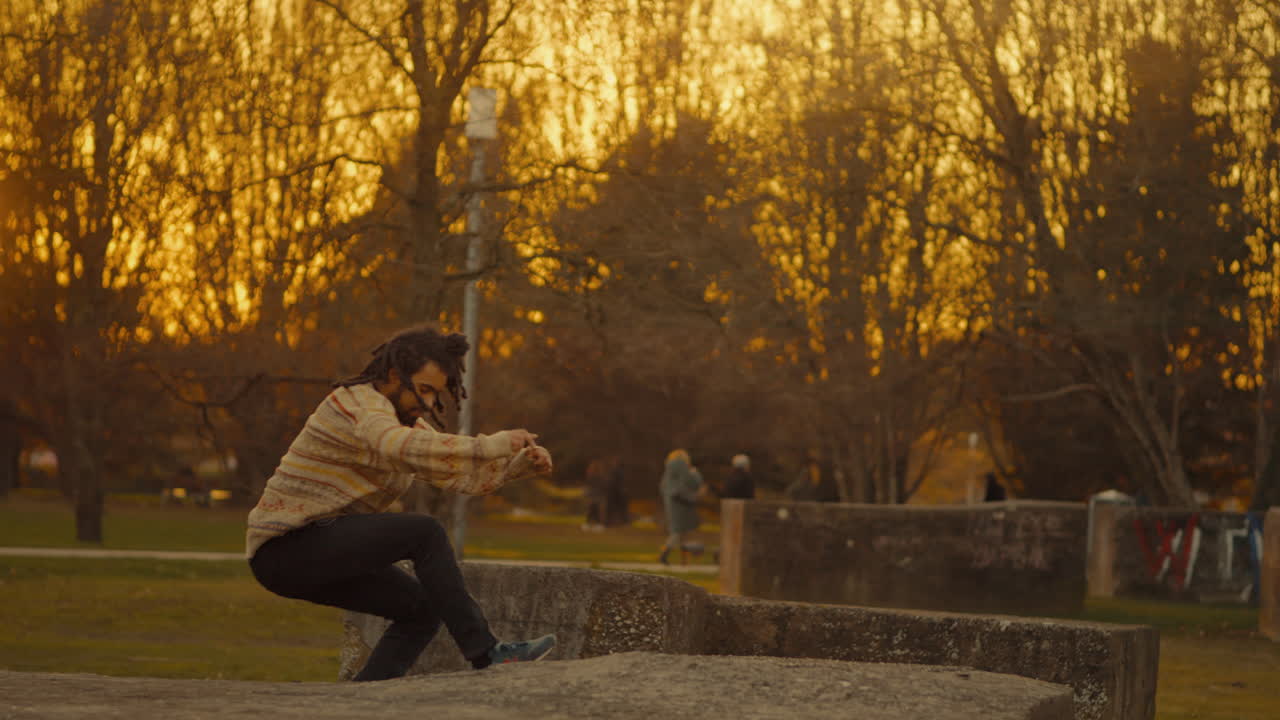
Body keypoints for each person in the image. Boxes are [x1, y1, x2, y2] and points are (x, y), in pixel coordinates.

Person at [245, 326, 557, 681]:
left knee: (422, 610)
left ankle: (362, 703)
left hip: (318, 552)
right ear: (393, 375)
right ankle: (488, 654)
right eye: (422, 390)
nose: (426, 403)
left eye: (435, 394)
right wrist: (492, 444)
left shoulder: (402, 422)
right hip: (285, 548)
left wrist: (518, 467)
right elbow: (394, 444)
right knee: (424, 533)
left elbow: (459, 475)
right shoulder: (357, 405)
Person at [657, 449, 705, 565]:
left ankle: (681, 559)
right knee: (678, 532)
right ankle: (665, 555)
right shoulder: (682, 466)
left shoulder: (669, 468)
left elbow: (663, 487)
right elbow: (692, 482)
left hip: (673, 503)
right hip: (681, 505)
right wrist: (695, 474)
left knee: (679, 532)